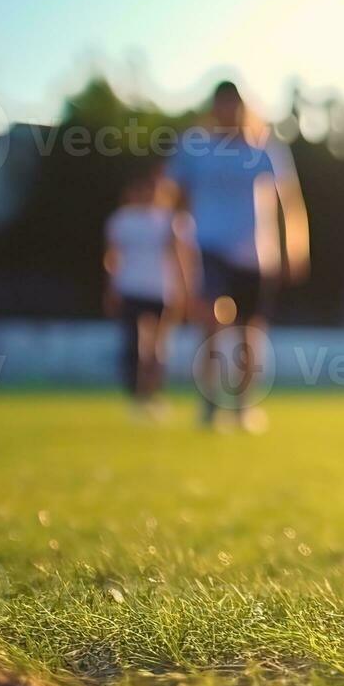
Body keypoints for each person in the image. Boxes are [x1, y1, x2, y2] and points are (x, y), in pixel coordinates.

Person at [167, 81, 309, 432]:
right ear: (214, 108)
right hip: (208, 248)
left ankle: (242, 407)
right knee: (211, 323)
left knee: (249, 333)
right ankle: (209, 403)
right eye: (222, 104)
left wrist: (295, 246)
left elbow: (289, 202)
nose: (228, 111)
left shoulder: (264, 149)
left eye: (234, 104)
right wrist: (173, 244)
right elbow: (172, 197)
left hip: (256, 255)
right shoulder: (195, 148)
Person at [102, 166, 196, 418]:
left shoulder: (174, 222)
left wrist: (185, 291)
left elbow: (181, 258)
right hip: (131, 288)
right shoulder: (123, 220)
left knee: (158, 346)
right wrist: (112, 287)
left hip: (162, 291)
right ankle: (136, 394)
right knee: (136, 344)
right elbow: (113, 256)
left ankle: (152, 392)